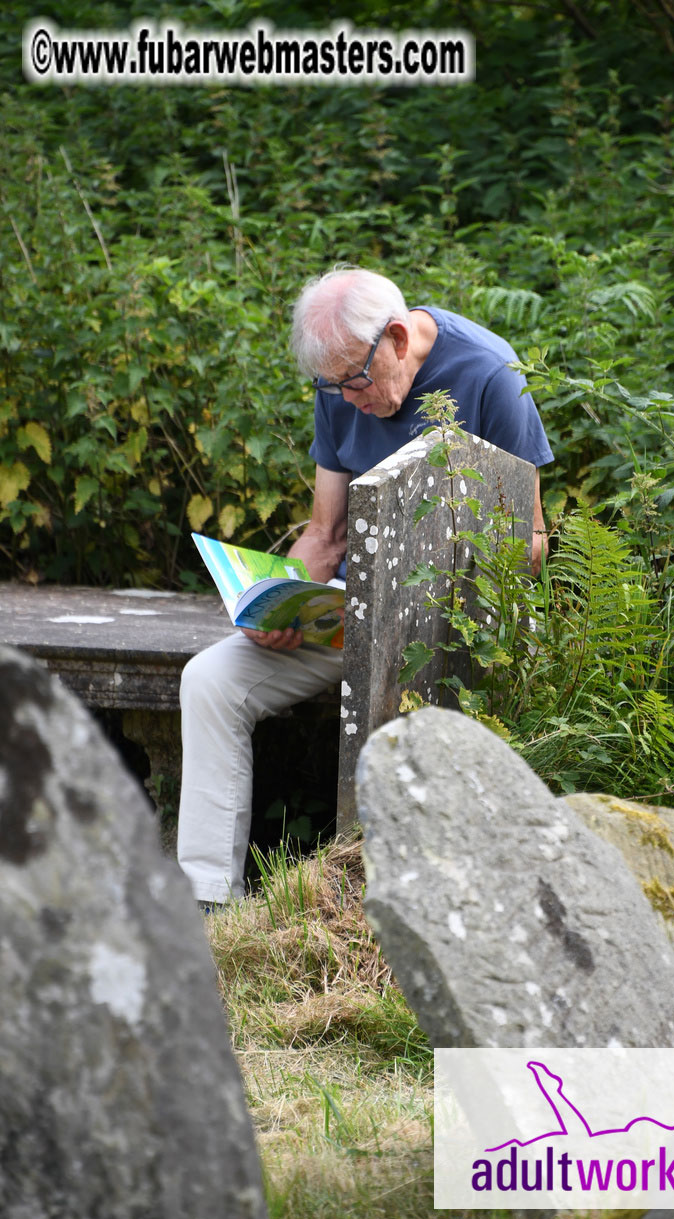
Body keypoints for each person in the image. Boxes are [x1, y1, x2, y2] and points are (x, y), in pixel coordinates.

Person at [177, 267, 553, 906]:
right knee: (209, 680)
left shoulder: (491, 374)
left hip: (456, 615)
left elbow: (533, 544)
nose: (347, 398)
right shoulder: (341, 380)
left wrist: (448, 589)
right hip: (350, 612)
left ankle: (391, 901)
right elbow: (324, 536)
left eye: (355, 380)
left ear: (399, 339)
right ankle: (209, 899)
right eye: (331, 386)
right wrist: (275, 601)